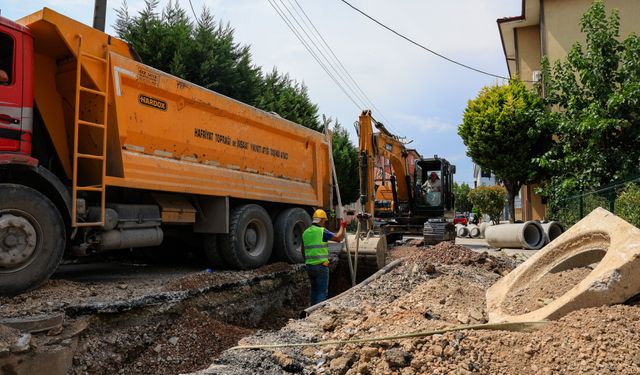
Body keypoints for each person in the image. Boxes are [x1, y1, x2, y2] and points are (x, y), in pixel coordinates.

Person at [302, 209, 347, 306]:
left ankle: (311, 311)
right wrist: (342, 227)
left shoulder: (305, 232)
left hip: (309, 266)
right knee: (321, 292)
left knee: (314, 291)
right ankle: (318, 313)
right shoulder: (322, 231)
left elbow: (303, 250)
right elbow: (339, 238)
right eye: (324, 221)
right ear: (322, 220)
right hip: (321, 266)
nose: (325, 224)